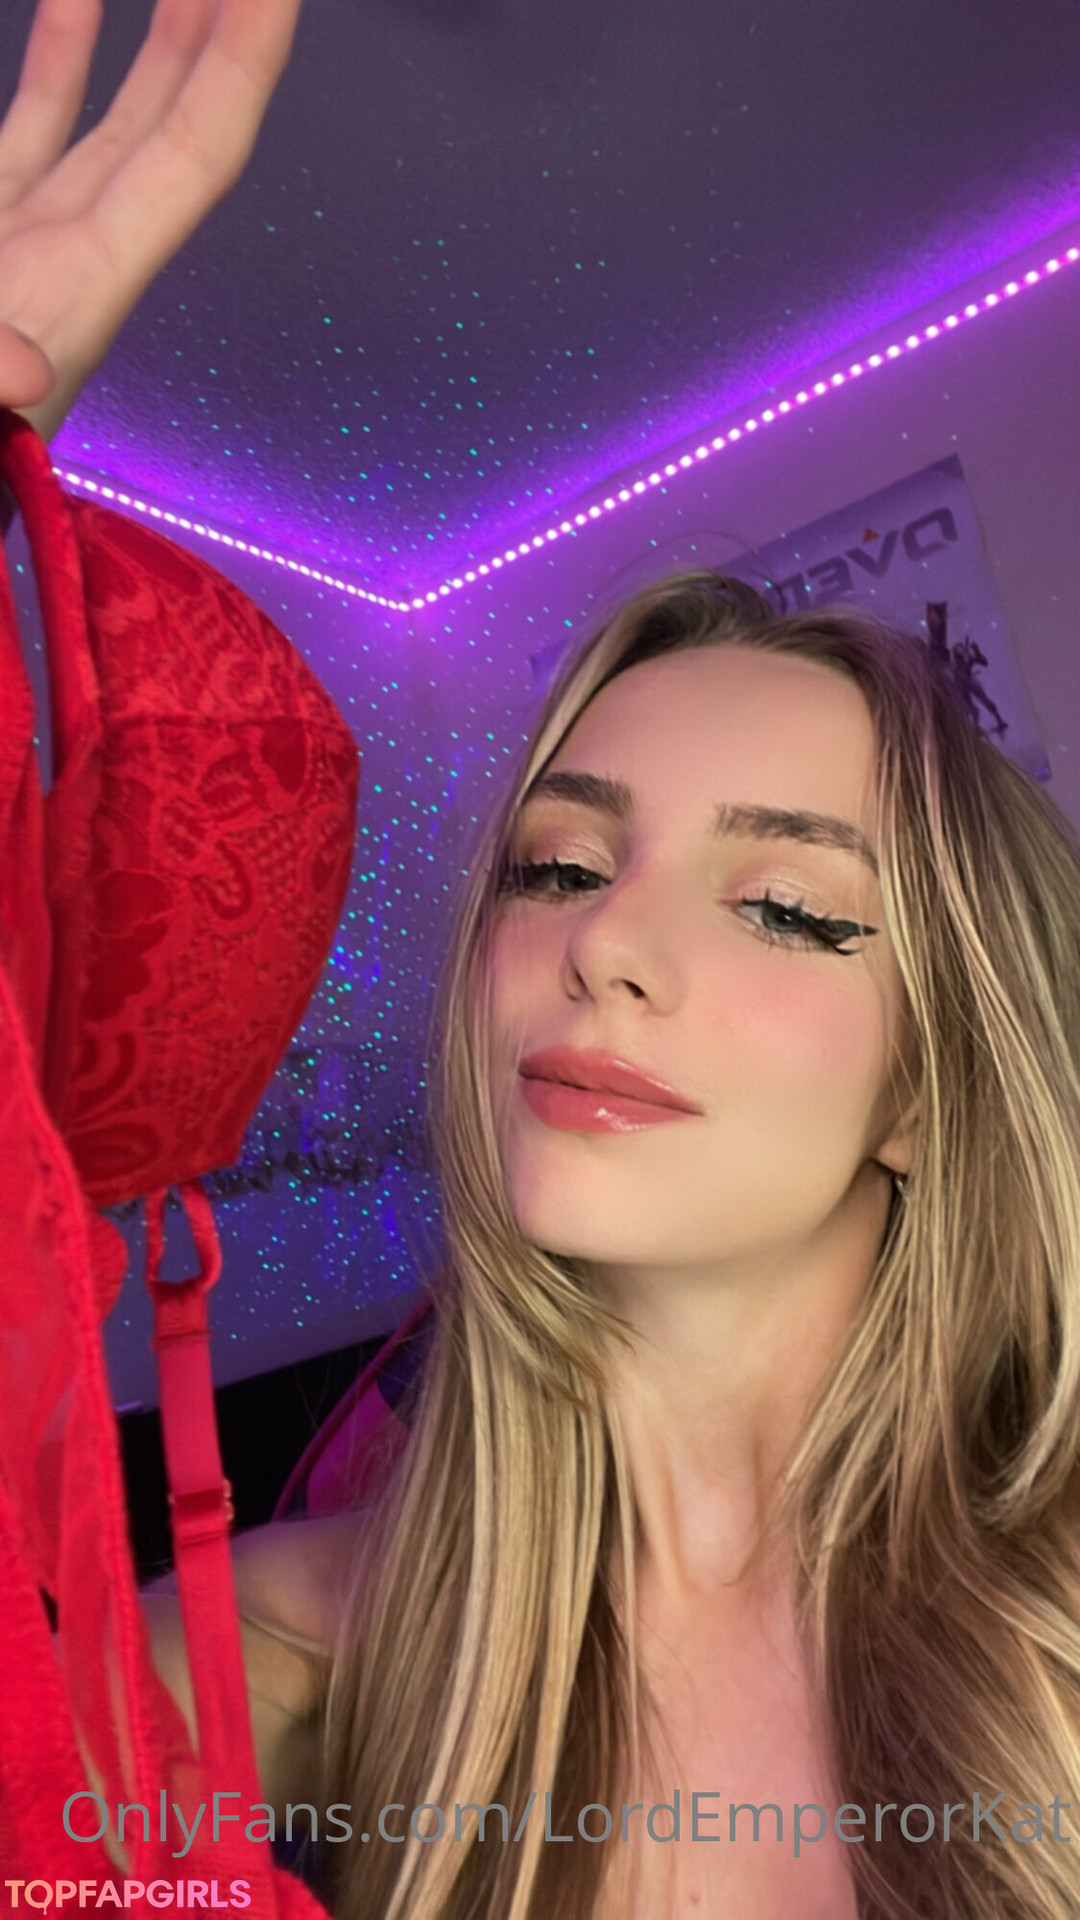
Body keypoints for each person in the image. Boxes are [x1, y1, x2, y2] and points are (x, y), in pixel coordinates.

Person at [7, 7, 1080, 1919]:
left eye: (787, 904)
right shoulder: (286, 1655)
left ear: (930, 1084)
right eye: (559, 866)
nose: (606, 944)